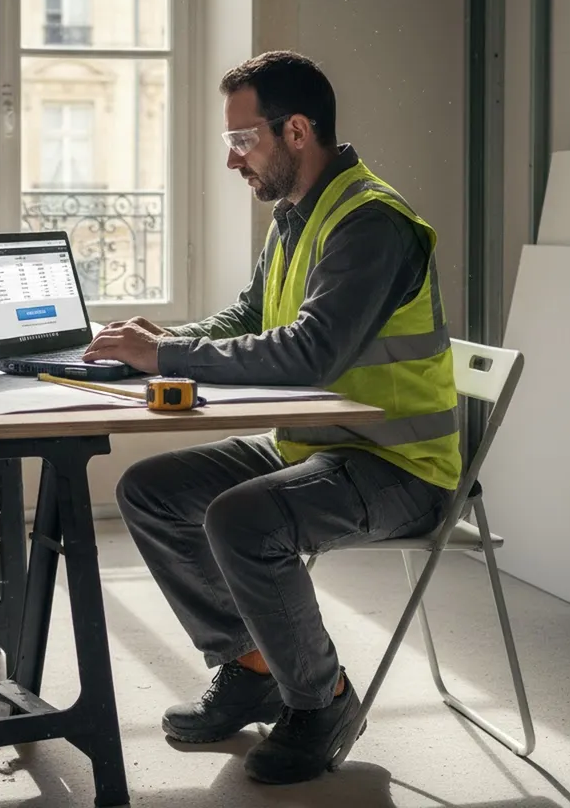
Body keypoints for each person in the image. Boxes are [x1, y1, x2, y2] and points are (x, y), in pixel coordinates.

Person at [83, 51, 461, 785]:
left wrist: (168, 359)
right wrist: (164, 342)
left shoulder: (372, 223)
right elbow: (253, 315)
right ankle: (250, 663)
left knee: (243, 520)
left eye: (241, 140)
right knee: (150, 490)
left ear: (294, 131)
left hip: (399, 466)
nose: (233, 161)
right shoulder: (296, 215)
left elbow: (310, 352)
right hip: (316, 446)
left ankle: (324, 701)